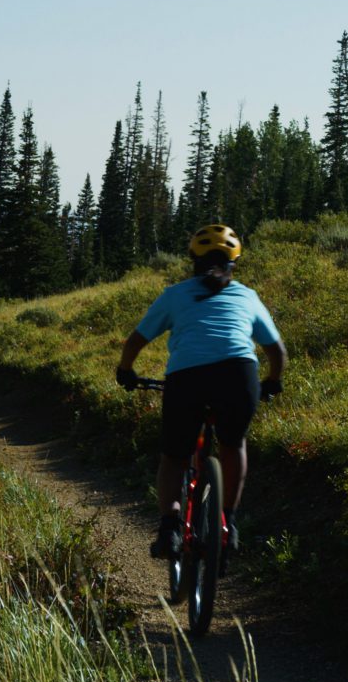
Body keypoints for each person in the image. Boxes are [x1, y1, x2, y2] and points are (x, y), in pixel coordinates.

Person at [114, 224, 286, 563]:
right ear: (233, 263)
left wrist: (126, 371)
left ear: (193, 260)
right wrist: (273, 381)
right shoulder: (247, 296)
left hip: (187, 377)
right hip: (239, 374)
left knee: (175, 456)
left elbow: (136, 341)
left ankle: (169, 528)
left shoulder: (175, 295)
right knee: (233, 443)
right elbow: (276, 350)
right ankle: (229, 523)